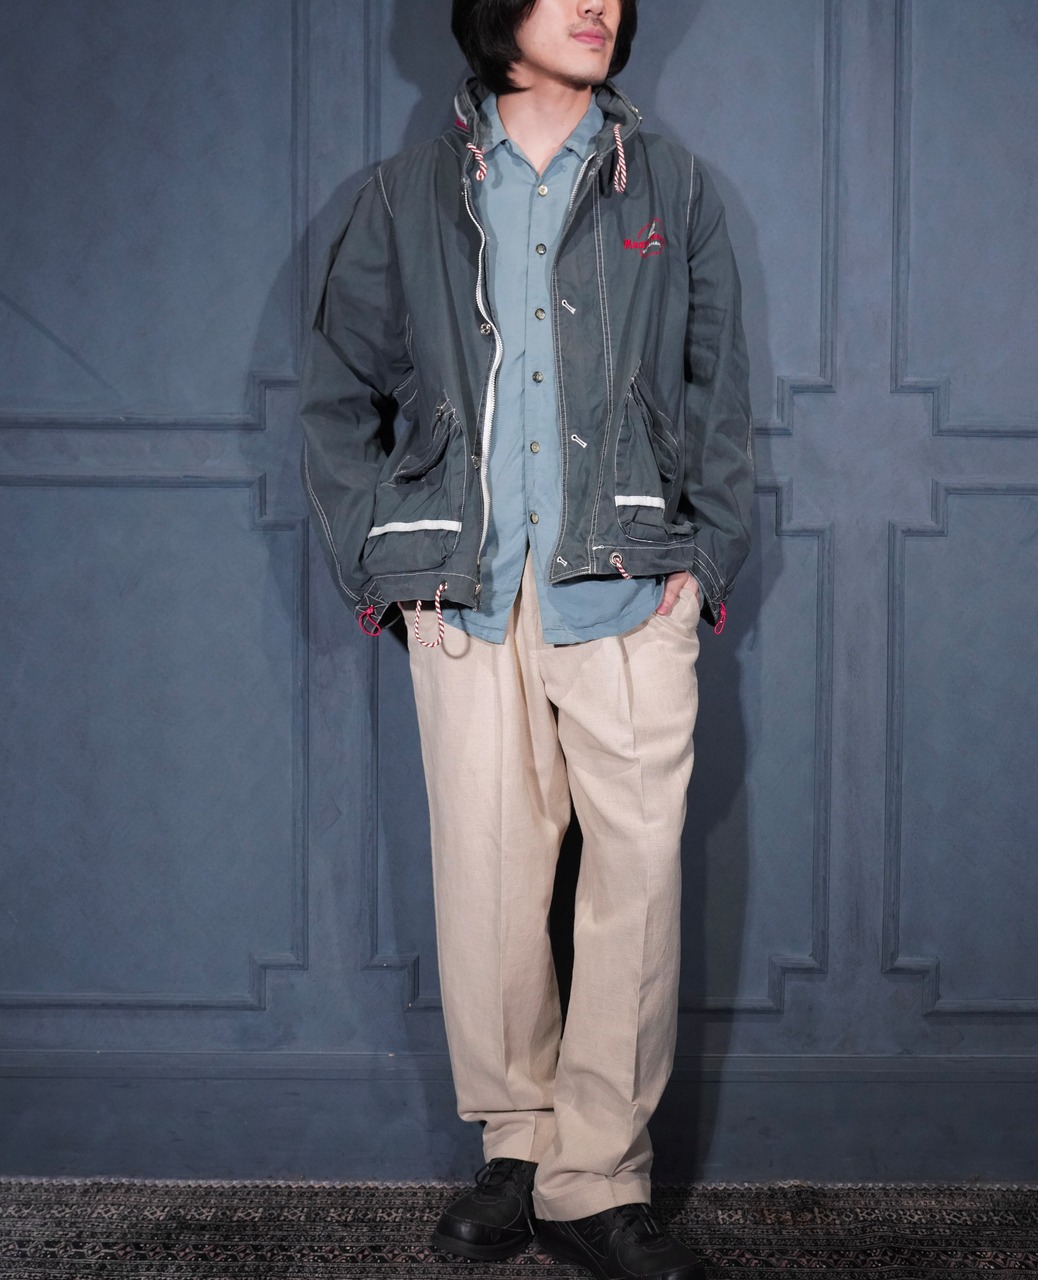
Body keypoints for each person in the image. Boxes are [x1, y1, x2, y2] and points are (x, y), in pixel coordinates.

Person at [299, 0, 753, 1275]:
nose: (597, 4)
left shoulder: (670, 185)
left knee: (634, 887)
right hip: (465, 596)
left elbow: (718, 393)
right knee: (489, 882)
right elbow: (336, 391)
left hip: (628, 585)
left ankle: (595, 1176)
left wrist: (701, 562)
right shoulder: (407, 194)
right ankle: (518, 1144)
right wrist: (387, 562)